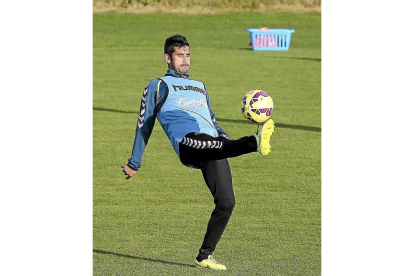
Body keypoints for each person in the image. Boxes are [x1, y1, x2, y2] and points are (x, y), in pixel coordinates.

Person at [121, 34, 275, 270]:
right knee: (205, 142)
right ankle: (253, 143)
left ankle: (204, 256)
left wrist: (224, 136)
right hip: (188, 142)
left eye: (188, 55)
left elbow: (210, 119)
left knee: (227, 202)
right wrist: (135, 162)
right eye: (179, 55)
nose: (185, 60)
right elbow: (144, 124)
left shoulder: (200, 86)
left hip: (213, 144)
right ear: (167, 58)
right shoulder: (158, 85)